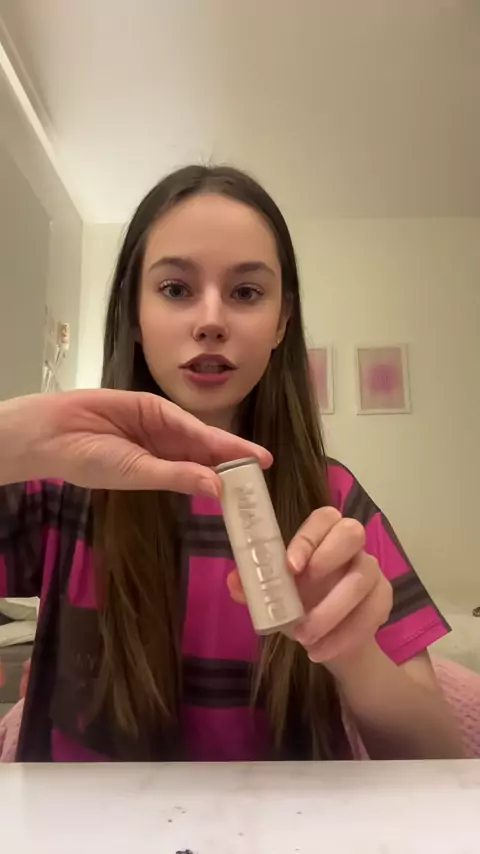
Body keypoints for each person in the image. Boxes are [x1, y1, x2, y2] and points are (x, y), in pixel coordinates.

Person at [0, 165, 462, 762]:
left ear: (282, 322)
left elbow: (440, 757)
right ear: (133, 316)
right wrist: (13, 437)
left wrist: (354, 656)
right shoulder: (62, 484)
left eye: (246, 293)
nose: (211, 321)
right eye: (175, 289)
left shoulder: (334, 498)